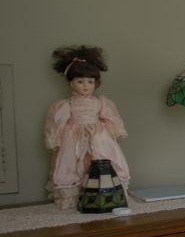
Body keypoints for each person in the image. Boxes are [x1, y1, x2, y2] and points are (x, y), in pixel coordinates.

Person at [44, 46, 130, 209]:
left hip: (98, 136)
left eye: (90, 82)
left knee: (103, 160)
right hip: (74, 137)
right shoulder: (65, 104)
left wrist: (114, 130)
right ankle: (75, 196)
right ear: (71, 82)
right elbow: (56, 122)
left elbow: (111, 118)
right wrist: (54, 138)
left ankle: (106, 192)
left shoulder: (101, 102)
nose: (85, 86)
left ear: (95, 83)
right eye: (80, 81)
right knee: (72, 163)